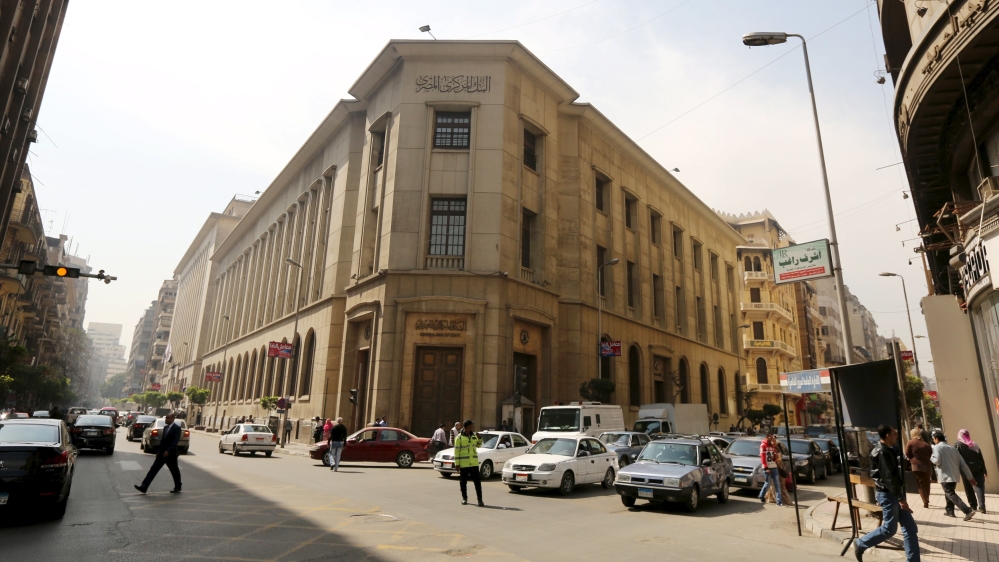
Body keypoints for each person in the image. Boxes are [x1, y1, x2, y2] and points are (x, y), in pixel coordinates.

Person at [854, 425, 919, 562]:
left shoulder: (888, 450)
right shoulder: (882, 452)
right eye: (894, 434)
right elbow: (888, 478)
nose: (896, 436)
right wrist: (901, 499)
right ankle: (861, 543)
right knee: (889, 529)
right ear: (888, 435)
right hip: (888, 494)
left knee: (910, 528)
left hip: (894, 493)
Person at [931, 430, 977, 521]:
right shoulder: (953, 449)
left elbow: (937, 461)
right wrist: (970, 477)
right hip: (954, 475)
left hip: (945, 475)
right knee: (949, 492)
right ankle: (950, 510)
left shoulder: (937, 447)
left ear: (936, 439)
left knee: (949, 493)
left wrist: (931, 457)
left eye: (934, 439)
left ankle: (967, 510)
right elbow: (963, 464)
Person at [134, 412, 183, 494]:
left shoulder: (176, 428)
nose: (166, 419)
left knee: (174, 471)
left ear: (172, 418)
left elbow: (175, 442)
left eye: (168, 417)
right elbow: (163, 441)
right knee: (153, 469)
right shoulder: (165, 428)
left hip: (171, 454)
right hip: (162, 454)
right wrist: (159, 451)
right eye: (166, 417)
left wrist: (168, 451)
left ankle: (178, 486)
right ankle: (144, 487)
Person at [955, 428, 988, 514]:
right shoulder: (975, 444)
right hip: (978, 468)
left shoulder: (958, 444)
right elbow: (981, 458)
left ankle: (973, 506)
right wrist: (985, 470)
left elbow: (956, 459)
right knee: (980, 487)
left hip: (966, 470)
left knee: (968, 488)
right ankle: (982, 506)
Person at [454, 419, 483, 506]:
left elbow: (479, 445)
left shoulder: (474, 435)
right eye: (471, 425)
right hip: (464, 464)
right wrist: (457, 464)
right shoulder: (459, 438)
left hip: (474, 463)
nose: (472, 427)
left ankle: (480, 500)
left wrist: (479, 438)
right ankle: (464, 498)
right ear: (467, 427)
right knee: (463, 482)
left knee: (477, 482)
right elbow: (456, 451)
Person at [905, 427, 933, 509]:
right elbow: (930, 453)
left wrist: (912, 459)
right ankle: (927, 498)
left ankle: (925, 501)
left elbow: (907, 453)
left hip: (916, 465)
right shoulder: (926, 444)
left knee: (920, 484)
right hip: (927, 465)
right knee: (927, 483)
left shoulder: (910, 442)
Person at [758, 433, 783, 506]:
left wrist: (775, 457)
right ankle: (761, 495)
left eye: (772, 437)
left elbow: (775, 458)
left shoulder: (773, 446)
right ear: (767, 437)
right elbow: (762, 457)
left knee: (777, 484)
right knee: (768, 484)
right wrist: (766, 468)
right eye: (770, 437)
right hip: (767, 468)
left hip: (774, 467)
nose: (772, 438)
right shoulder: (763, 445)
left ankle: (779, 501)